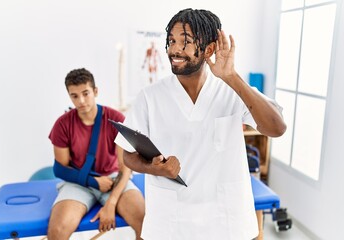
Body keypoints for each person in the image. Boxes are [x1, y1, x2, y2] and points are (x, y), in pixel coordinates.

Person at [114, 8, 286, 240]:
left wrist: (232, 77)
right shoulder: (150, 97)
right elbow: (128, 156)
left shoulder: (232, 90)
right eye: (171, 41)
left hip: (225, 221)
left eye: (185, 42)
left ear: (209, 49)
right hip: (172, 222)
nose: (174, 49)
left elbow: (277, 128)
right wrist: (155, 168)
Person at [48, 68, 145, 240]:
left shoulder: (115, 119)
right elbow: (60, 169)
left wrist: (111, 203)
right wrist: (92, 181)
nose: (81, 100)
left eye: (86, 93)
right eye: (75, 96)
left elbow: (126, 169)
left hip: (114, 179)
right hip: (78, 183)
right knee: (57, 232)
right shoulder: (62, 124)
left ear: (95, 91)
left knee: (146, 225)